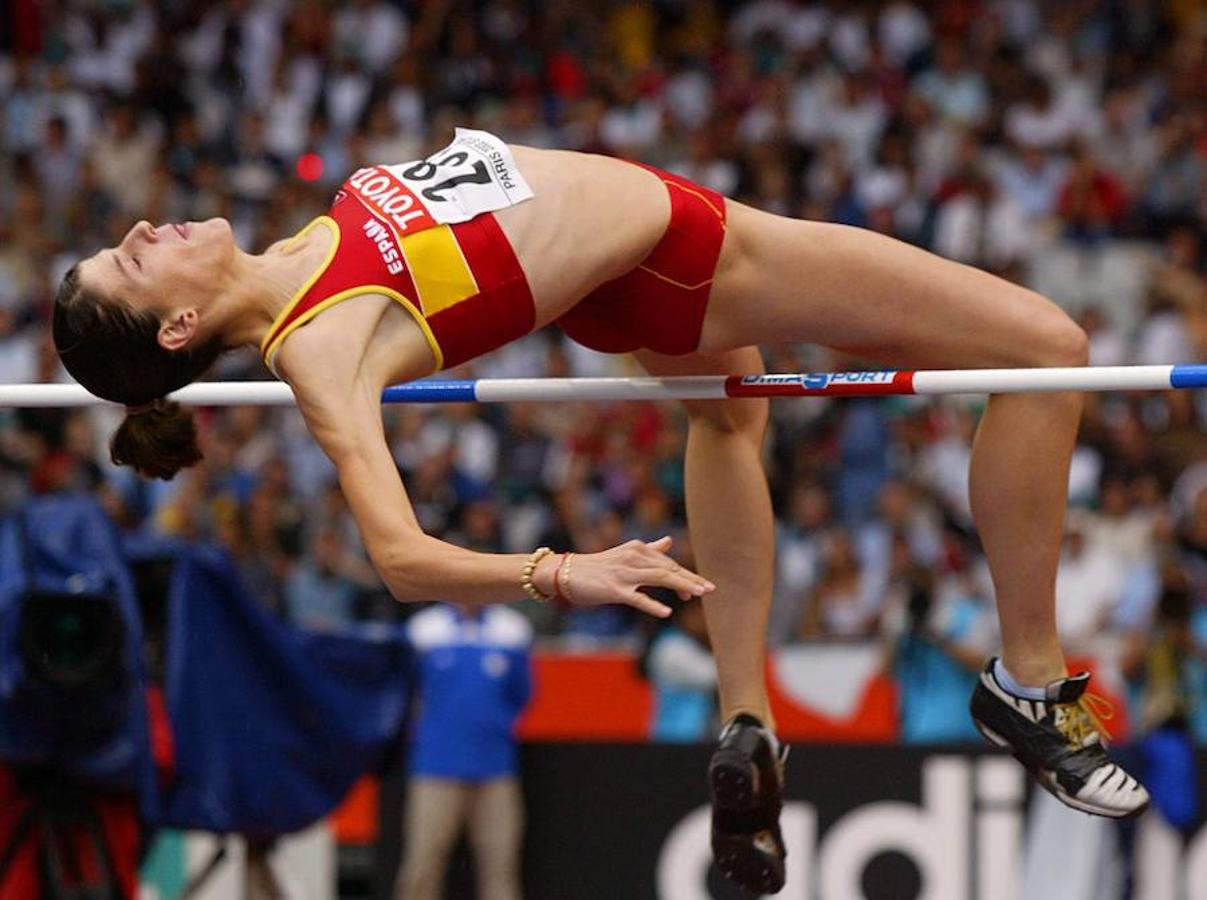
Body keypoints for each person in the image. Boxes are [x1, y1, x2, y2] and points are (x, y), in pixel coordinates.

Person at [52, 127, 1149, 893]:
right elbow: (397, 557)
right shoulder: (320, 350)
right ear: (177, 327)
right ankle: (1027, 681)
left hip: (619, 277)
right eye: (132, 260)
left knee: (728, 418)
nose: (146, 225)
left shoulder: (293, 259)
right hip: (684, 256)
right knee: (1045, 350)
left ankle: (745, 714)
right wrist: (556, 572)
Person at [397, 602, 532, 900]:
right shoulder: (424, 630)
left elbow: (521, 694)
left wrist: (495, 726)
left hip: (495, 768)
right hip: (437, 768)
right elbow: (406, 691)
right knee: (422, 865)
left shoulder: (512, 630)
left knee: (501, 868)